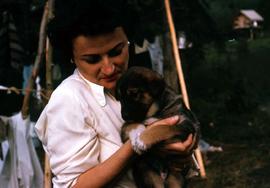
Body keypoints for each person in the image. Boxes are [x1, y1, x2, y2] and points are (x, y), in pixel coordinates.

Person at [35, 1, 199, 187]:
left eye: (116, 52)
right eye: (92, 59)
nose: (109, 68)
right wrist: (140, 144)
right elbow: (73, 185)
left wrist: (179, 148)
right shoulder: (69, 100)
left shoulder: (135, 82)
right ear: (72, 58)